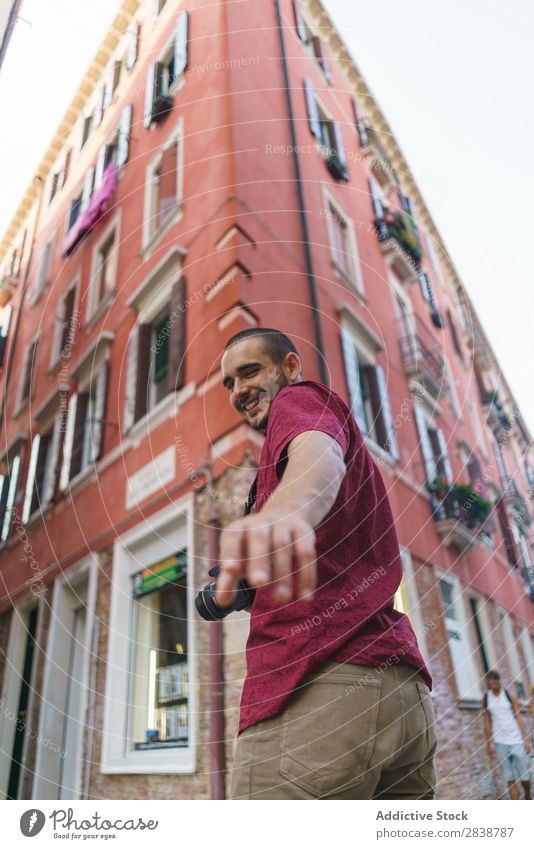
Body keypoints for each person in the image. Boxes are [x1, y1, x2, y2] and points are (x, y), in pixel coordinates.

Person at [216, 327, 436, 800]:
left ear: (290, 368)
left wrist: (280, 514)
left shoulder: (299, 402)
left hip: (319, 697)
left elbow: (319, 459)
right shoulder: (293, 448)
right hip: (403, 697)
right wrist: (250, 588)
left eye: (250, 371)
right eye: (229, 383)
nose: (238, 391)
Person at [482, 669, 531, 799]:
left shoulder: (509, 695)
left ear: (499, 681)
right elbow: (487, 723)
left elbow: (519, 717)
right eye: (492, 682)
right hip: (500, 742)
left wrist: (526, 740)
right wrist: (489, 744)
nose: (494, 684)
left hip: (515, 739)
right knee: (509, 777)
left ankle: (527, 794)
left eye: (496, 681)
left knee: (524, 775)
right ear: (488, 683)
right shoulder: (487, 698)